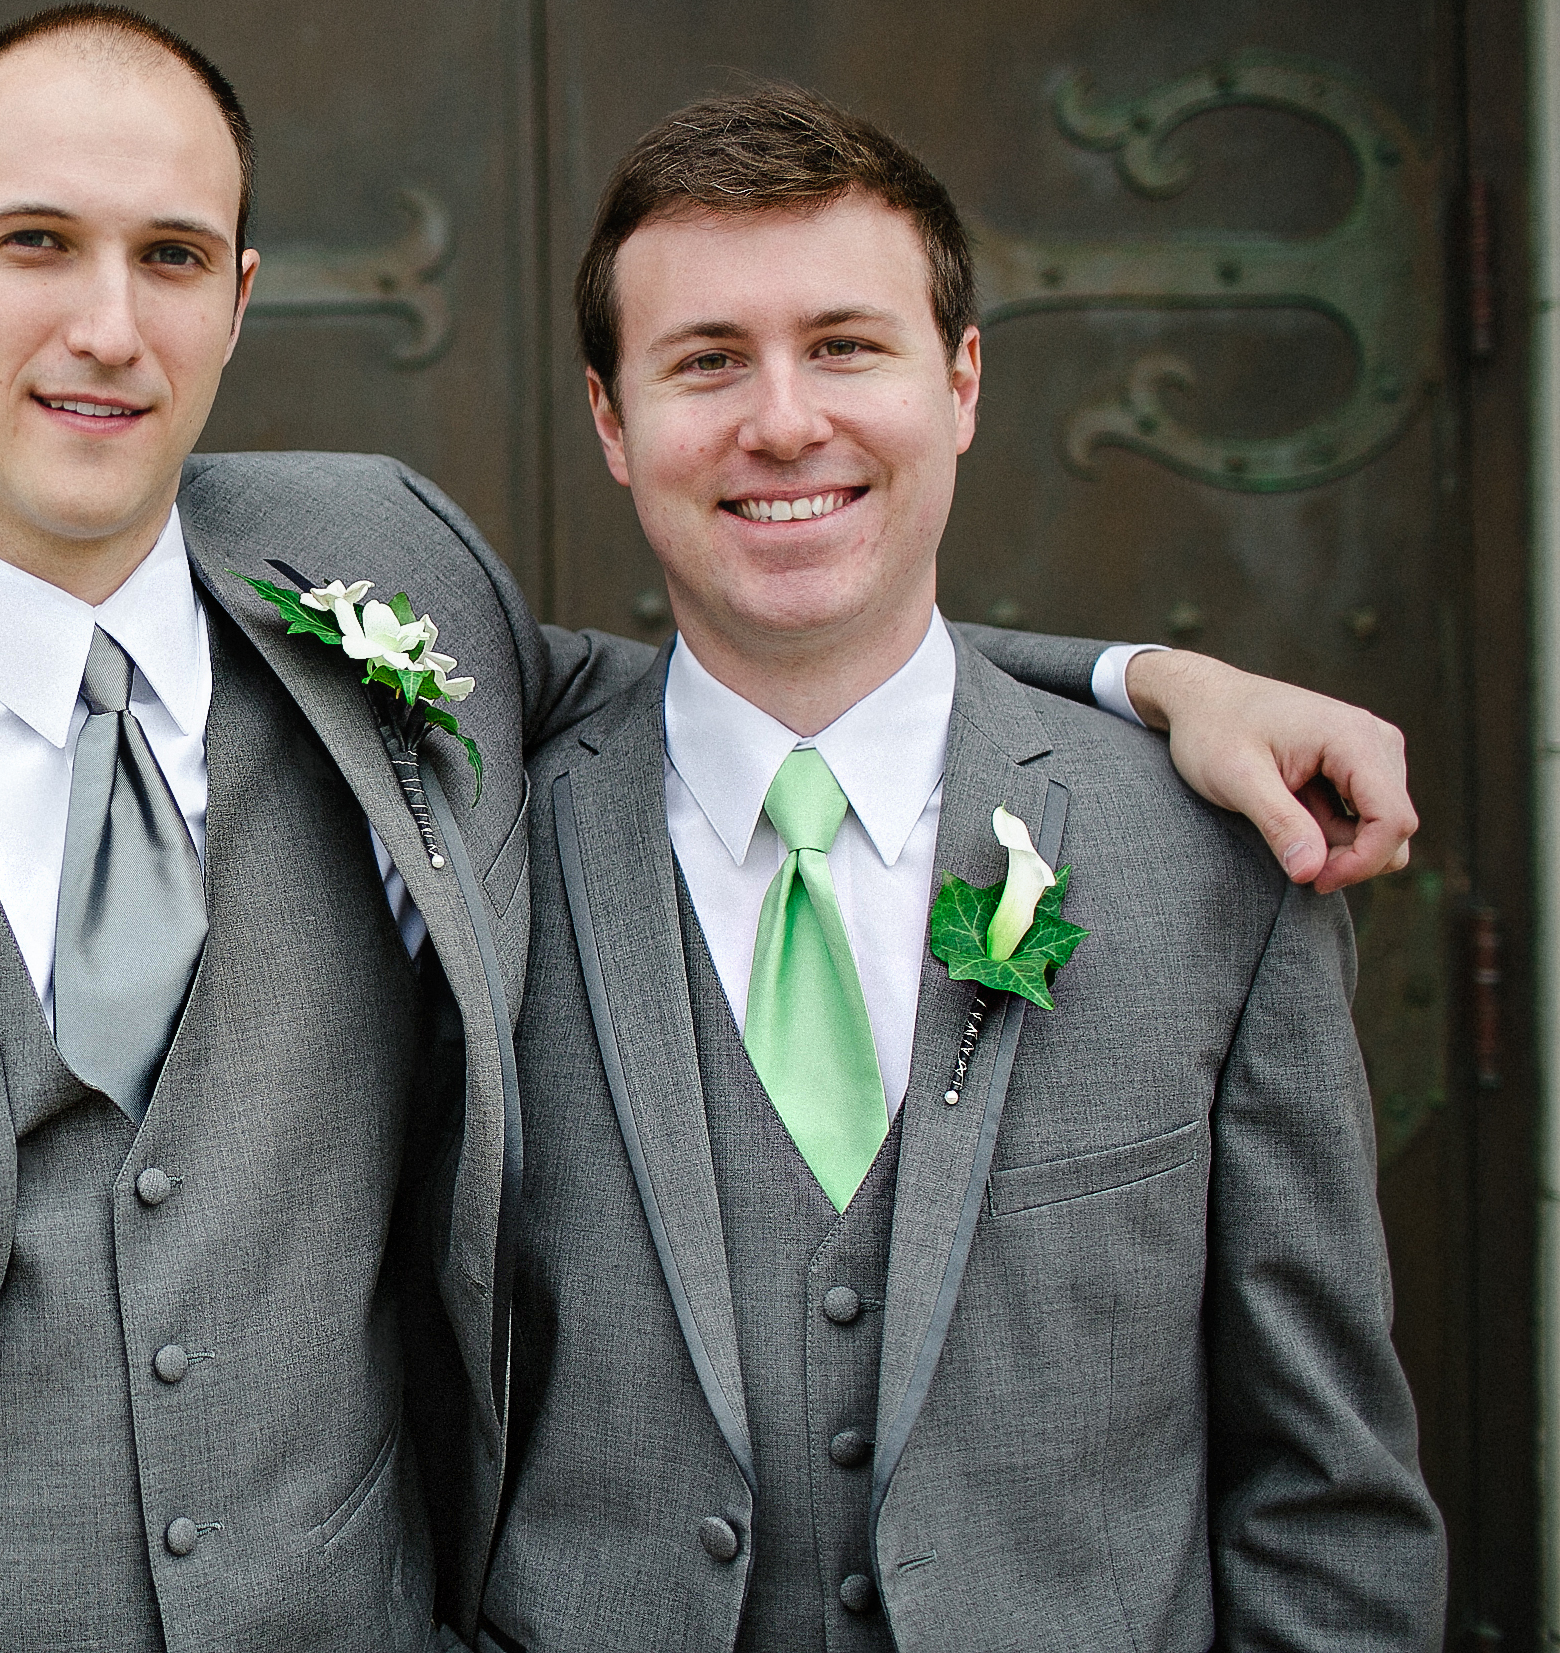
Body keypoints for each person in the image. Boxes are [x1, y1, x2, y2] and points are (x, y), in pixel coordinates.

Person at [0, 5, 1417, 1651]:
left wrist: (1143, 681)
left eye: (172, 255)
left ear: (236, 296)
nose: (107, 325)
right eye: (36, 243)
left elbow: (779, 660)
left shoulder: (374, 584)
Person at [466, 86, 1443, 1650]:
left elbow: (1321, 1482)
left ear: (962, 380)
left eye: (846, 347)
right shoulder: (472, 849)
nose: (782, 420)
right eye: (705, 360)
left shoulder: (1207, 861)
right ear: (609, 419)